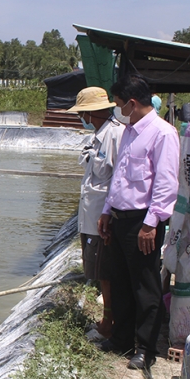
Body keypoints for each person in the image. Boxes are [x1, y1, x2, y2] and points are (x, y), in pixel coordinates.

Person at [96, 75, 180, 370]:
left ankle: (145, 348)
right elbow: (119, 177)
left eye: (119, 104)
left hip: (141, 222)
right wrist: (107, 210)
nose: (118, 110)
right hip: (120, 217)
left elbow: (166, 183)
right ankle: (121, 339)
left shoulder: (163, 134)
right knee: (119, 281)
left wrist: (151, 222)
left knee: (145, 286)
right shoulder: (128, 132)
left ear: (132, 103)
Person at [68, 87, 124, 339]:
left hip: (102, 216)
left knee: (106, 272)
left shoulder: (115, 135)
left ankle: (109, 323)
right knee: (99, 271)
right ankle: (108, 319)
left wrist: (108, 214)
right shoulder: (98, 135)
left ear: (92, 113)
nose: (83, 117)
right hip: (91, 216)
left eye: (83, 113)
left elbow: (115, 179)